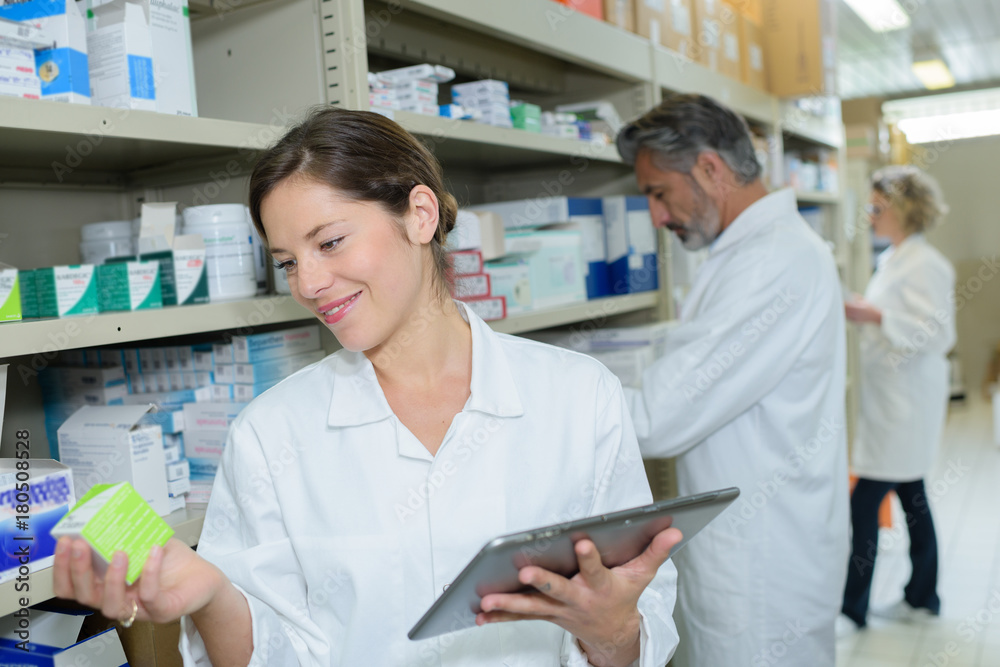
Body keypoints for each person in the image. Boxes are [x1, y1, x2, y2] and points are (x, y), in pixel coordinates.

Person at [51, 107, 683, 667]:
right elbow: (270, 655)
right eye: (289, 262)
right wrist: (215, 597)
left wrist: (612, 634)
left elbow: (634, 625)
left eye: (330, 242)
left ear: (420, 213)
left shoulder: (577, 397)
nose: (310, 284)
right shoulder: (272, 434)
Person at [615, 94, 849, 666]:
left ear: (710, 170)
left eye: (657, 192)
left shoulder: (770, 262)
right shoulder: (749, 252)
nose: (657, 216)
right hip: (753, 548)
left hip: (762, 567)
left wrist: (537, 383)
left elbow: (655, 420)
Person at [838, 165, 955, 634]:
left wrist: (868, 312)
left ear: (902, 210)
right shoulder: (895, 257)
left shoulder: (927, 263)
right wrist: (867, 310)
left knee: (864, 505)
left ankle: (853, 608)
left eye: (877, 208)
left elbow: (938, 332)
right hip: (892, 401)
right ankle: (923, 596)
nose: (870, 216)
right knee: (913, 498)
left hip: (905, 405)